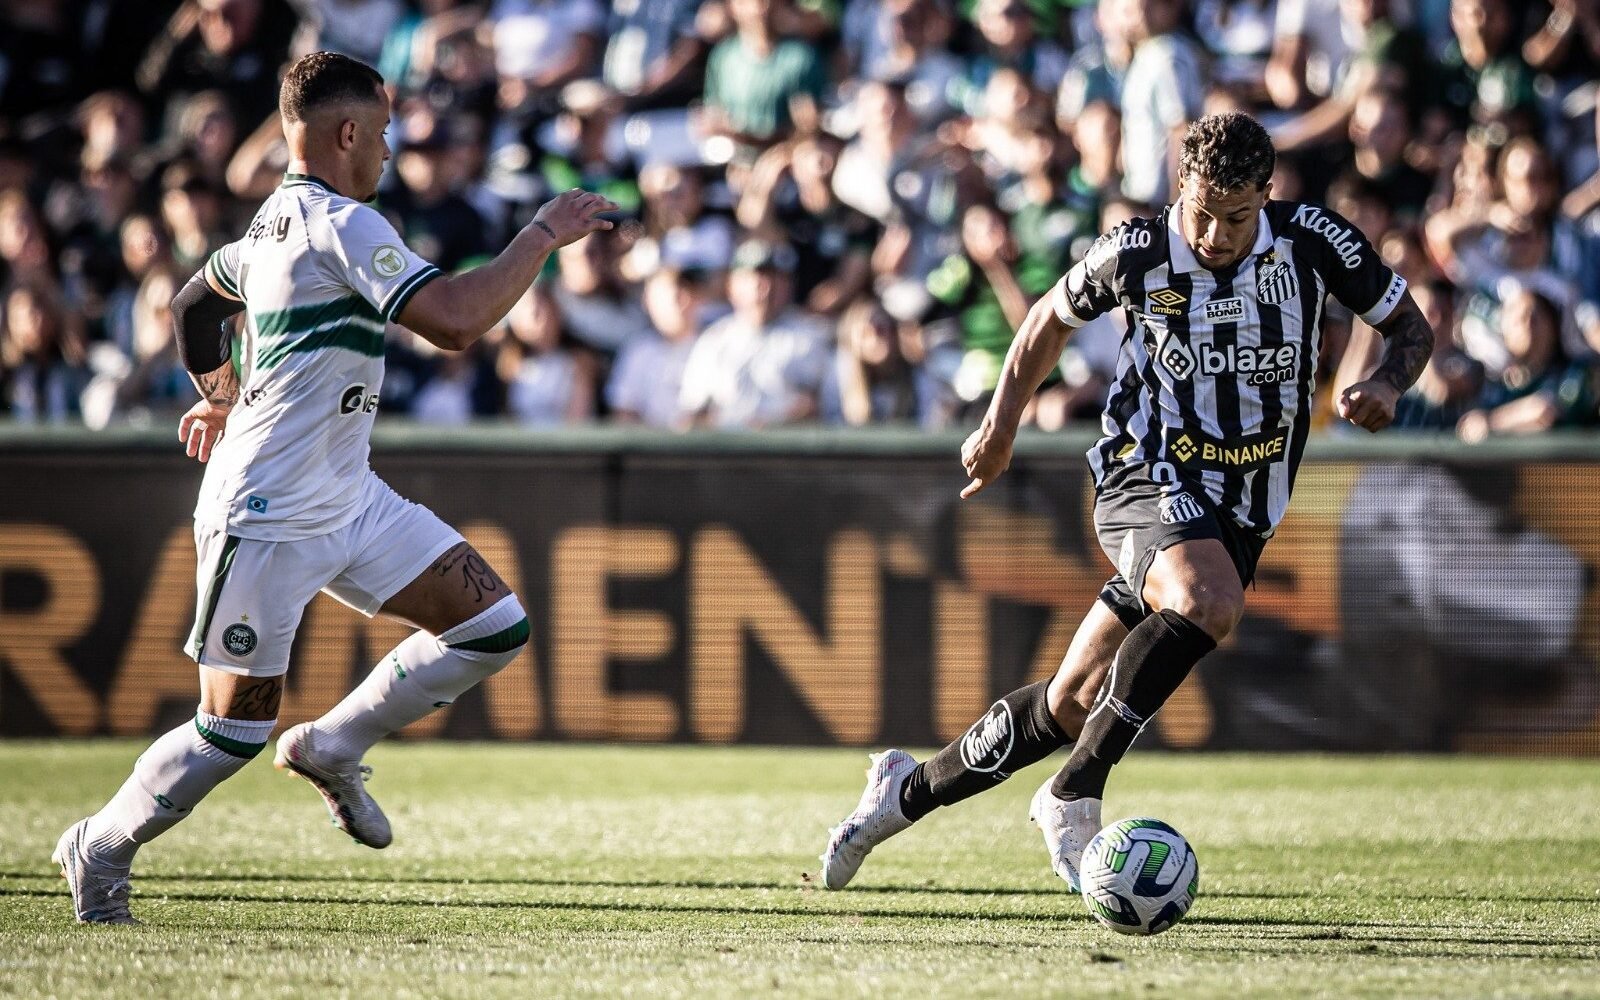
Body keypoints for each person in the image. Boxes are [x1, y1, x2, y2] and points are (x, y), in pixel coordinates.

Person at [52, 51, 617, 925]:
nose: (389, 151)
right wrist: (541, 233)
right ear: (347, 132)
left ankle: (332, 744)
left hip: (346, 495)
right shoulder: (341, 225)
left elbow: (194, 307)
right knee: (232, 731)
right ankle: (100, 844)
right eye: (384, 132)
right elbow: (459, 324)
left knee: (493, 624)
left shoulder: (274, 224)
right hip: (268, 509)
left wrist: (225, 396)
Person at [819, 112, 1435, 892]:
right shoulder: (1139, 250)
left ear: (1267, 198)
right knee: (1208, 599)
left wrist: (1386, 381)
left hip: (1243, 509)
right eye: (1203, 211)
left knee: (1069, 702)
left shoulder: (1313, 241)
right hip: (1143, 474)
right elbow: (1046, 320)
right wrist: (1000, 427)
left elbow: (1410, 329)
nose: (1215, 233)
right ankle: (1074, 795)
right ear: (1182, 186)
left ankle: (895, 797)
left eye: (1237, 217)